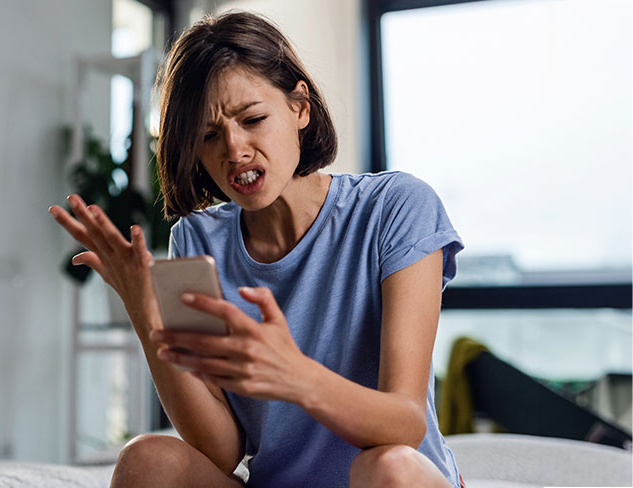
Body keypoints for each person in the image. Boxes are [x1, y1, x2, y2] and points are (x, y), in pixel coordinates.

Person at [49, 11, 465, 488]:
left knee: (386, 467)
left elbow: (405, 423)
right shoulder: (196, 239)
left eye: (253, 119)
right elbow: (221, 451)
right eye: (209, 136)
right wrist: (146, 312)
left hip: (388, 478)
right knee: (148, 459)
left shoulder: (396, 207)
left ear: (300, 108)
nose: (235, 148)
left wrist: (296, 377)